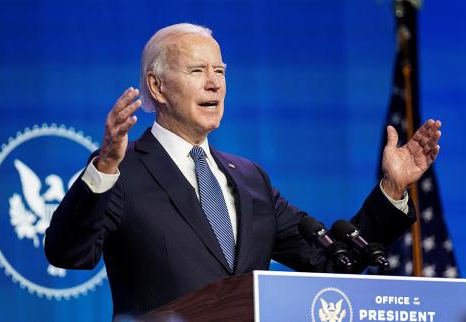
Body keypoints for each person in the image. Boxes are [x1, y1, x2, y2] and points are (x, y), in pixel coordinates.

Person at [44, 23, 441, 319]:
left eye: (221, 71)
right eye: (198, 71)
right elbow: (69, 253)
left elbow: (333, 262)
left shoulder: (251, 179)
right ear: (158, 86)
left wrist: (391, 189)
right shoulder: (121, 169)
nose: (215, 84)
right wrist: (105, 167)